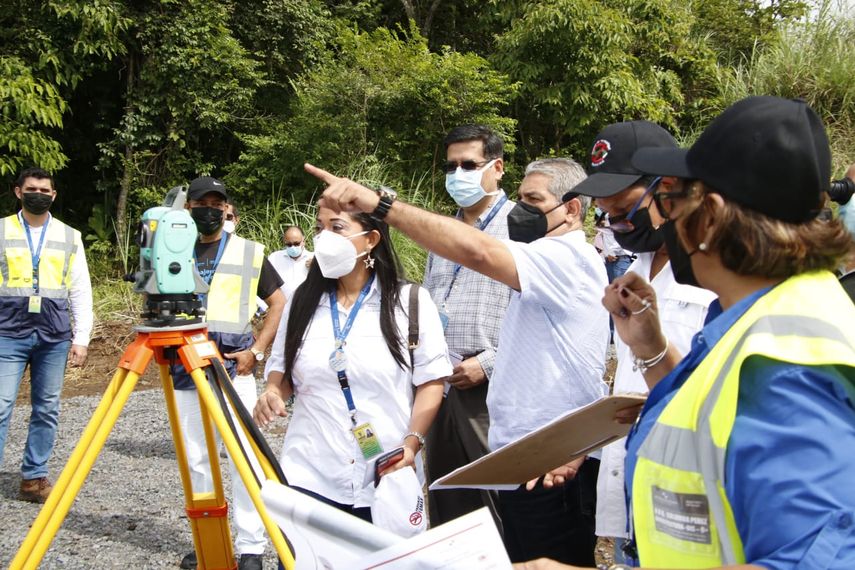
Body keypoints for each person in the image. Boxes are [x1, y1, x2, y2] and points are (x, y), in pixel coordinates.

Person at [520, 96, 855, 570]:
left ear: (712, 216)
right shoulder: (751, 315)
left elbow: (818, 559)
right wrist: (651, 348)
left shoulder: (785, 361)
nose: (661, 219)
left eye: (671, 201)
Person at [305, 155, 609, 566]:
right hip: (530, 457)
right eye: (519, 197)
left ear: (572, 208)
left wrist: (380, 205)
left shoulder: (567, 258)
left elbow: (479, 252)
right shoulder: (546, 258)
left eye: (532, 200)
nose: (520, 210)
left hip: (553, 464)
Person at [570, 121, 715, 565]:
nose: (616, 224)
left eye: (624, 210)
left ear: (666, 188)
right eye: (606, 215)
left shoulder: (717, 275)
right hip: (633, 489)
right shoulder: (637, 267)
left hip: (692, 494)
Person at [254, 207, 450, 522]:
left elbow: (431, 381)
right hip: (310, 472)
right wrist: (273, 391)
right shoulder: (302, 302)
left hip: (387, 471)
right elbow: (282, 368)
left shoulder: (409, 302)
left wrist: (412, 444)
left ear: (371, 239)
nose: (323, 237)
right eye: (320, 228)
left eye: (337, 227)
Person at [176, 176, 286, 570]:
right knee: (197, 459)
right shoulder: (172, 248)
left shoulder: (249, 252)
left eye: (215, 203)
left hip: (231, 369)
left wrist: (256, 352)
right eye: (200, 202)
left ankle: (251, 547)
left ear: (225, 209)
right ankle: (210, 542)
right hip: (184, 368)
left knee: (245, 459)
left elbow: (278, 302)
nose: (209, 209)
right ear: (187, 208)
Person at [423, 124, 514, 529]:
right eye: (451, 166)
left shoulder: (521, 226)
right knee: (447, 496)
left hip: (493, 386)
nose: (457, 174)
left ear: (497, 167)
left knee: (498, 495)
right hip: (442, 382)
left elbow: (536, 315)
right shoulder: (444, 231)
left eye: (468, 165)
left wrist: (489, 364)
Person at [0, 167, 92, 503]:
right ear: (18, 192)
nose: (38, 193)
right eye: (31, 188)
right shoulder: (2, 230)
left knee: (47, 408)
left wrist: (81, 337)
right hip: (7, 332)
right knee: (1, 405)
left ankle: (33, 478)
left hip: (53, 335)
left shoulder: (70, 236)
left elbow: (81, 289)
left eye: (44, 189)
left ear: (53, 195)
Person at [268, 226, 314, 302]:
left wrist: (317, 268)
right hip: (282, 309)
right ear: (284, 242)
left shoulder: (314, 258)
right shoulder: (275, 258)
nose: (293, 247)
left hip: (308, 307)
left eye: (296, 244)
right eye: (289, 244)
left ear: (303, 241)